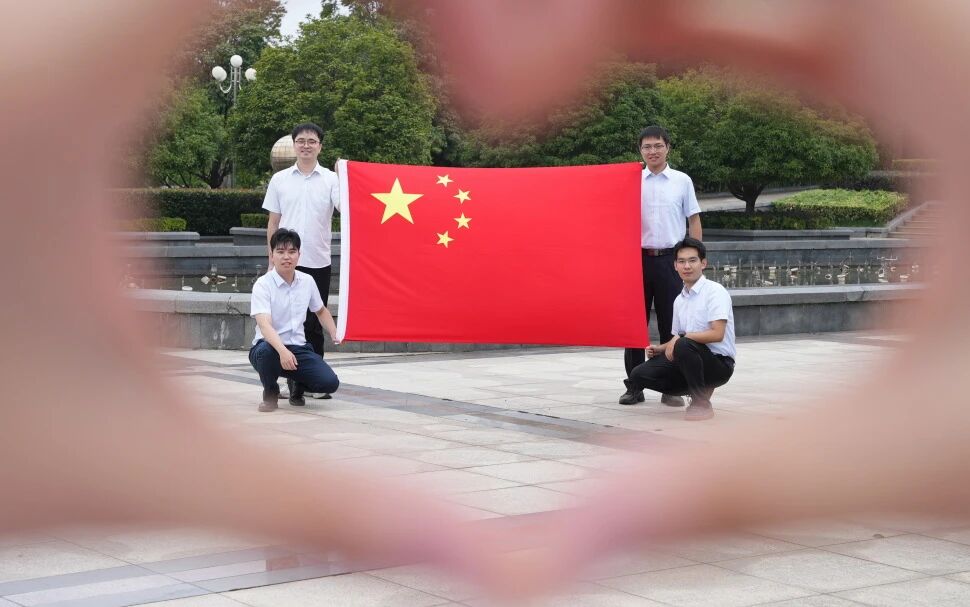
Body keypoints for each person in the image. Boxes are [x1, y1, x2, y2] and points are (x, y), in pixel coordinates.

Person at [620, 125, 703, 406]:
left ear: (668, 147)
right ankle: (634, 385)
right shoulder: (631, 181)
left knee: (672, 325)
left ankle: (671, 388)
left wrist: (694, 257)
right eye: (647, 146)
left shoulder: (682, 181)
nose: (652, 151)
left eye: (658, 145)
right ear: (640, 151)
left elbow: (693, 219)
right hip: (636, 260)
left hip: (670, 260)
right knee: (634, 326)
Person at [263, 122, 340, 401]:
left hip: (317, 259)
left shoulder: (331, 179)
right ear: (294, 145)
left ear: (320, 146)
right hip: (285, 261)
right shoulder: (280, 180)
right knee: (284, 321)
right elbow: (273, 223)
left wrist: (347, 175)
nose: (306, 145)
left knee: (313, 323)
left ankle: (311, 380)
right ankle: (289, 381)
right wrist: (271, 259)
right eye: (301, 141)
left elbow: (347, 208)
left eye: (312, 141)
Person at [624, 237, 734, 421]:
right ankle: (695, 388)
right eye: (681, 261)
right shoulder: (679, 300)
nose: (687, 266)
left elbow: (717, 334)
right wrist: (659, 349)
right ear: (675, 266)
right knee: (639, 374)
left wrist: (683, 338)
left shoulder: (715, 292)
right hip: (690, 359)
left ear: (703, 263)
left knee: (684, 345)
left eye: (692, 260)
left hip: (719, 364)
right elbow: (676, 338)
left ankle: (701, 404)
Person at [249, 228, 340, 412]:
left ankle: (296, 382)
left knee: (329, 383)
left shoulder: (307, 281)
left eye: (292, 251)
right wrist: (283, 351)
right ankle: (270, 393)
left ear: (299, 255)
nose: (286, 257)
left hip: (298, 348)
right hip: (268, 347)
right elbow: (264, 325)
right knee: (267, 352)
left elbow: (321, 311)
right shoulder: (263, 285)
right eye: (280, 252)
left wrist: (334, 332)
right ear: (272, 255)